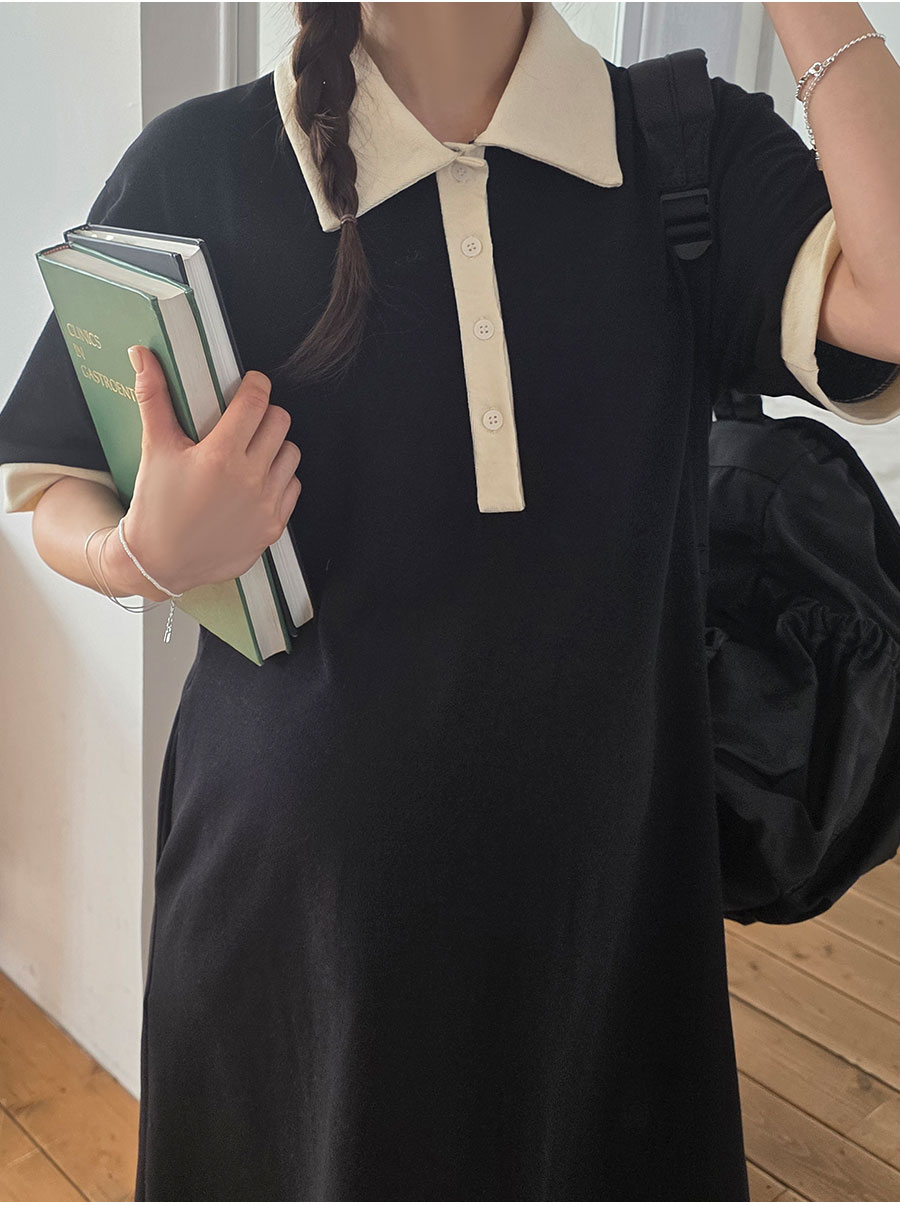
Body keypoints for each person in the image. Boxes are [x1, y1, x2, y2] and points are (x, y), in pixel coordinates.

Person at [2, 2, 900, 1199]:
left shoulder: (680, 150)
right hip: (293, 945)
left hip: (602, 931)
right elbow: (51, 479)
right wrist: (141, 552)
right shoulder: (197, 164)